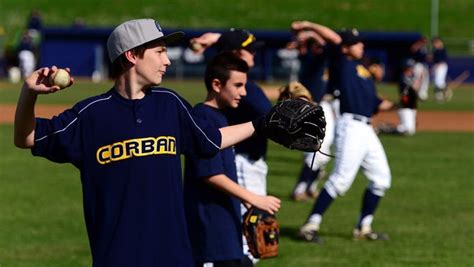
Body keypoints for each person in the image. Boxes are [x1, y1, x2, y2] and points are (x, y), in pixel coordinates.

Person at [13, 18, 265, 266]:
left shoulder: (170, 104)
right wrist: (29, 94)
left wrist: (261, 124)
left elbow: (212, 139)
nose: (167, 61)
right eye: (159, 52)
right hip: (117, 257)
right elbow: (27, 138)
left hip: (175, 257)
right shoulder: (90, 114)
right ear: (132, 55)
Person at [291, 21, 395, 243]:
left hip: (367, 130)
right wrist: (309, 26)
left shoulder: (362, 70)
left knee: (381, 179)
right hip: (351, 127)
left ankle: (363, 227)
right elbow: (334, 39)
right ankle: (310, 225)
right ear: (346, 47)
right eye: (356, 43)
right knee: (340, 180)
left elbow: (376, 102)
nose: (361, 46)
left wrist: (402, 103)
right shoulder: (342, 62)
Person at [184, 51, 281, 267]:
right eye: (238, 85)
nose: (244, 92)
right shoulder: (203, 118)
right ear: (217, 84)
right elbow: (209, 173)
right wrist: (254, 197)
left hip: (225, 227)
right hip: (209, 230)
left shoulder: (222, 117)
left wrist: (245, 201)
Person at [288, 23, 337, 202]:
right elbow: (323, 44)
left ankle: (309, 187)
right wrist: (309, 33)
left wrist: (309, 33)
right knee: (315, 152)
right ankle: (299, 189)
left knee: (322, 152)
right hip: (312, 108)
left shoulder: (317, 56)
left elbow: (327, 44)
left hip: (323, 106)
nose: (319, 46)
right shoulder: (310, 58)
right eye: (315, 44)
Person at [431, 37, 450, 101]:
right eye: (434, 43)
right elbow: (434, 60)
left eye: (436, 42)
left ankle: (445, 90)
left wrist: (437, 66)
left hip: (441, 66)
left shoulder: (442, 50)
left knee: (438, 81)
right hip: (436, 66)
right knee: (436, 82)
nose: (434, 44)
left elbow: (443, 60)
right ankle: (439, 96)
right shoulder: (435, 51)